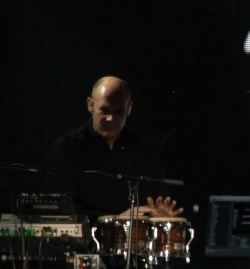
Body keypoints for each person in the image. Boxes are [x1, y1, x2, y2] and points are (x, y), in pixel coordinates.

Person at [48, 76, 181, 220]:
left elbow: (157, 203)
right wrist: (116, 219)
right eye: (104, 110)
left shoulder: (146, 152)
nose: (110, 118)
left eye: (118, 111)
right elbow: (62, 210)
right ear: (90, 105)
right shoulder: (67, 148)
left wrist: (160, 217)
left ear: (129, 108)